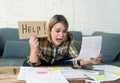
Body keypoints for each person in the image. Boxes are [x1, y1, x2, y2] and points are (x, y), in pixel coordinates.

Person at [23, 14, 102, 68]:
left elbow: (75, 59)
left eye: (64, 31)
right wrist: (33, 49)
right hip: (43, 62)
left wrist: (90, 60)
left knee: (69, 61)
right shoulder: (41, 37)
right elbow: (34, 63)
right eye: (57, 31)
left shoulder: (69, 36)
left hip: (59, 62)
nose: (61, 35)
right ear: (50, 30)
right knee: (27, 64)